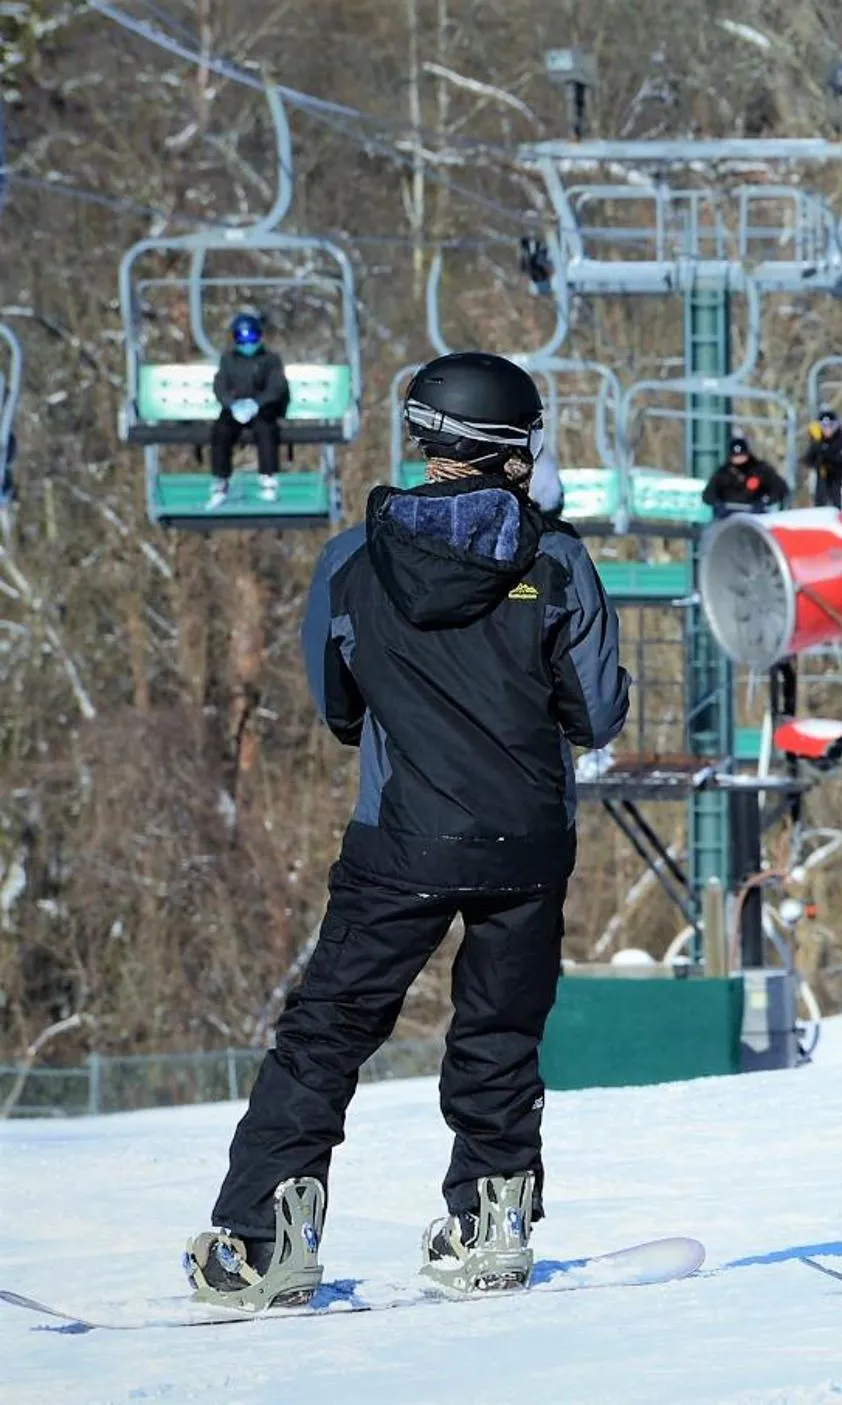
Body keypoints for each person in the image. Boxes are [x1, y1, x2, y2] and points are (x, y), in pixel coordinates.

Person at [184, 351, 630, 1311]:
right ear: (515, 449)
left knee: (326, 1034)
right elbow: (595, 712)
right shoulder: (556, 562)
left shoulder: (352, 561)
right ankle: (491, 1219)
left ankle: (267, 1238)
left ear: (426, 439)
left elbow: (338, 704)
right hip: (527, 845)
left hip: (400, 839)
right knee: (501, 1031)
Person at [208, 312, 291, 510]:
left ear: (259, 337)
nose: (247, 344)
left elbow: (276, 386)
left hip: (262, 408)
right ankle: (221, 479)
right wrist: (232, 404)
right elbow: (220, 385)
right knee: (221, 431)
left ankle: (268, 476)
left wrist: (258, 403)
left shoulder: (270, 360)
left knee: (266, 429)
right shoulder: (228, 360)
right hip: (236, 408)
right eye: (242, 338)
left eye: (251, 337)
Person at [703, 435, 788, 518]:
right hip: (728, 516)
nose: (739, 459)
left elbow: (780, 488)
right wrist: (717, 503)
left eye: (742, 456)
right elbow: (708, 495)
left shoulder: (760, 470)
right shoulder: (723, 473)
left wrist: (766, 501)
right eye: (736, 456)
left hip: (756, 515)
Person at [802, 408, 842, 509]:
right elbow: (808, 459)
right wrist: (817, 444)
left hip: (839, 480)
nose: (828, 429)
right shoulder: (818, 441)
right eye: (824, 426)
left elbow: (841, 460)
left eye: (831, 425)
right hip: (822, 482)